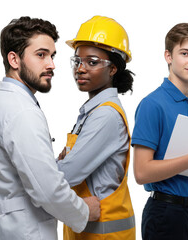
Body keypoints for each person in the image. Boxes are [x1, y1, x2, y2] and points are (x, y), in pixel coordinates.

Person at [0, 16, 100, 240]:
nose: (51, 64)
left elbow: (10, 174)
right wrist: (84, 210)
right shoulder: (22, 111)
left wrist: (52, 165)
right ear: (14, 59)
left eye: (52, 56)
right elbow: (48, 191)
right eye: (41, 55)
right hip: (24, 231)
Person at [132, 22, 188, 240]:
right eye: (185, 53)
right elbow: (141, 173)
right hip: (166, 214)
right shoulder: (152, 104)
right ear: (168, 56)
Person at [57, 16, 136, 239]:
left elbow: (66, 174)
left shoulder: (106, 116)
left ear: (113, 69)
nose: (80, 69)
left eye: (92, 62)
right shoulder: (91, 112)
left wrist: (57, 165)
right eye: (77, 61)